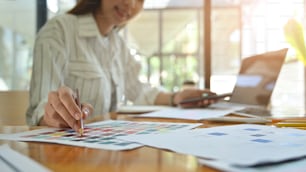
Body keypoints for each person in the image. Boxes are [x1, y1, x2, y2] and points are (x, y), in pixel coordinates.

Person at [26, 0, 215, 132]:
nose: (131, 4)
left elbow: (139, 91)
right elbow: (42, 106)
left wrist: (177, 97)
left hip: (102, 148)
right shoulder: (58, 31)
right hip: (63, 153)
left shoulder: (118, 43)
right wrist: (53, 115)